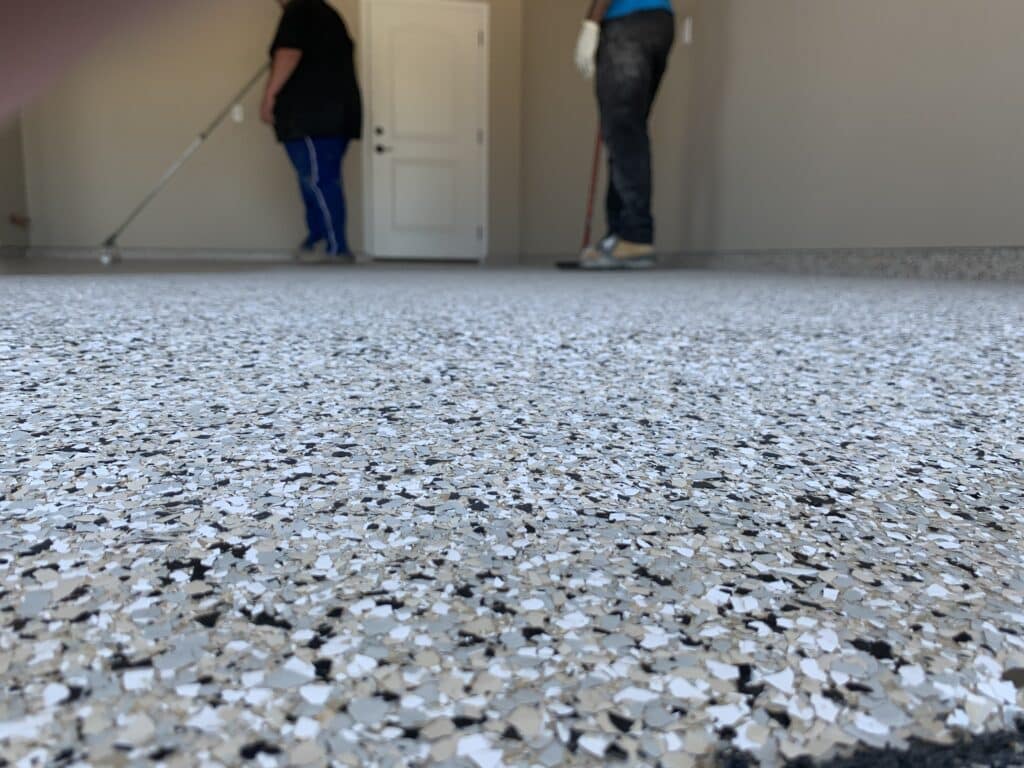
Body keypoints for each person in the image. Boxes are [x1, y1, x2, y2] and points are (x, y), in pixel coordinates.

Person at [575, 0, 675, 269]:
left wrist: (591, 23)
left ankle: (635, 237)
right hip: (659, 22)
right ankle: (618, 235)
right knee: (625, 133)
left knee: (624, 133)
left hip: (627, 24)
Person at [262, 0, 362, 263]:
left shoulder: (300, 10)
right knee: (317, 179)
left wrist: (269, 96)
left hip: (310, 115)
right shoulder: (325, 14)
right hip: (333, 115)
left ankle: (335, 247)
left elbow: (289, 53)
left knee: (318, 179)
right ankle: (318, 239)